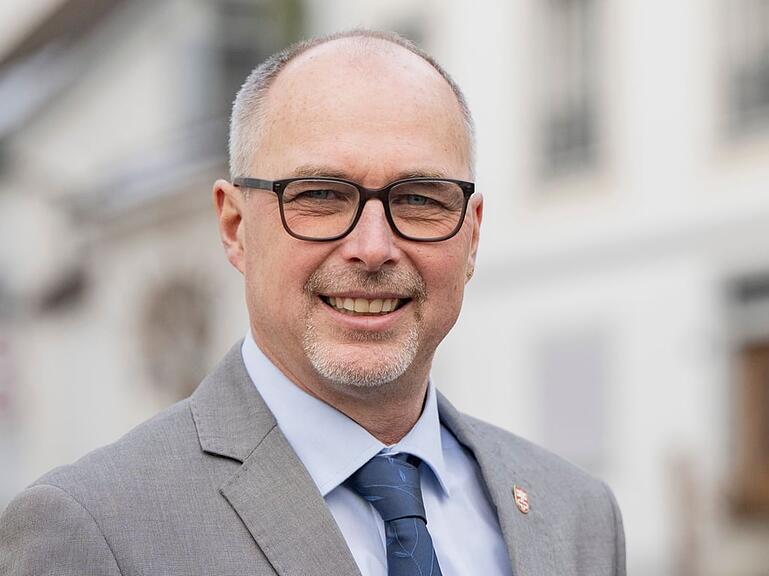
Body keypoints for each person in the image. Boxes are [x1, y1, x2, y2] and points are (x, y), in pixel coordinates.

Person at [0, 30, 625, 576]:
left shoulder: (576, 516)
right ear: (235, 226)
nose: (373, 248)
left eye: (419, 199)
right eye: (321, 195)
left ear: (472, 235)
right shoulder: (95, 531)